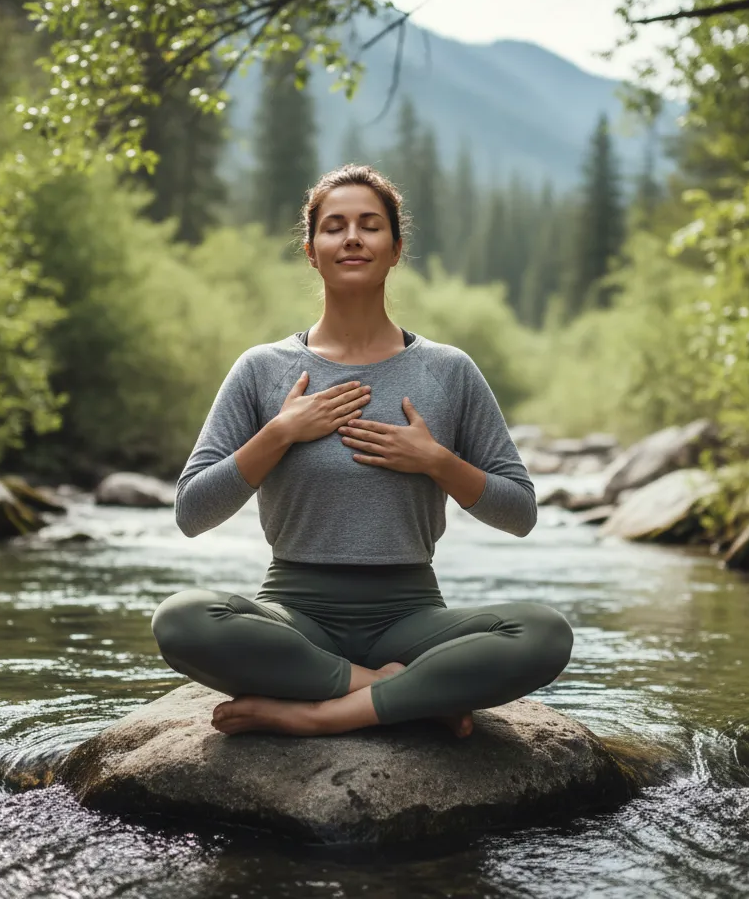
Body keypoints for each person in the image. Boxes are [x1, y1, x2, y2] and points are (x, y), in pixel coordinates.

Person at [150, 164, 573, 739]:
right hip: (292, 615)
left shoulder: (448, 371)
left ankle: (317, 713)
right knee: (181, 619)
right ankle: (403, 693)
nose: (352, 237)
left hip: (412, 615)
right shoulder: (261, 369)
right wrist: (279, 434)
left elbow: (519, 512)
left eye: (370, 226)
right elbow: (192, 513)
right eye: (335, 226)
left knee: (545, 632)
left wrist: (436, 461)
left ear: (396, 249)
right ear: (311, 250)